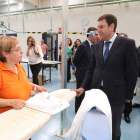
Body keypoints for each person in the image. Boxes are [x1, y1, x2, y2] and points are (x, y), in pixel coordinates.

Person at [72, 14, 138, 140]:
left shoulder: (126, 43)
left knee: (113, 129)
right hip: (96, 92)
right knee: (96, 127)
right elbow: (91, 69)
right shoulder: (97, 45)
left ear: (112, 26)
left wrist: (128, 96)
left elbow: (132, 72)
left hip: (116, 94)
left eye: (101, 27)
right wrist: (83, 87)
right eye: (97, 27)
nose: (98, 30)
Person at [0, 35, 47, 114]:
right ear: (6, 54)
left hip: (23, 113)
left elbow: (23, 82)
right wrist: (10, 102)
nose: (22, 51)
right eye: (18, 49)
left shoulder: (19, 67)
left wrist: (35, 87)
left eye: (20, 48)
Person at [73, 27, 98, 113]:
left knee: (88, 95)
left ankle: (86, 111)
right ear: (90, 35)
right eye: (96, 34)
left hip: (91, 76)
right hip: (82, 76)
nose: (97, 36)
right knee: (80, 95)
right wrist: (82, 68)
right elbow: (75, 61)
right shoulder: (83, 46)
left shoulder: (94, 46)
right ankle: (78, 112)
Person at [119, 33, 132, 123]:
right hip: (117, 78)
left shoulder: (130, 48)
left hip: (127, 77)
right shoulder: (114, 49)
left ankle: (126, 114)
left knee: (127, 98)